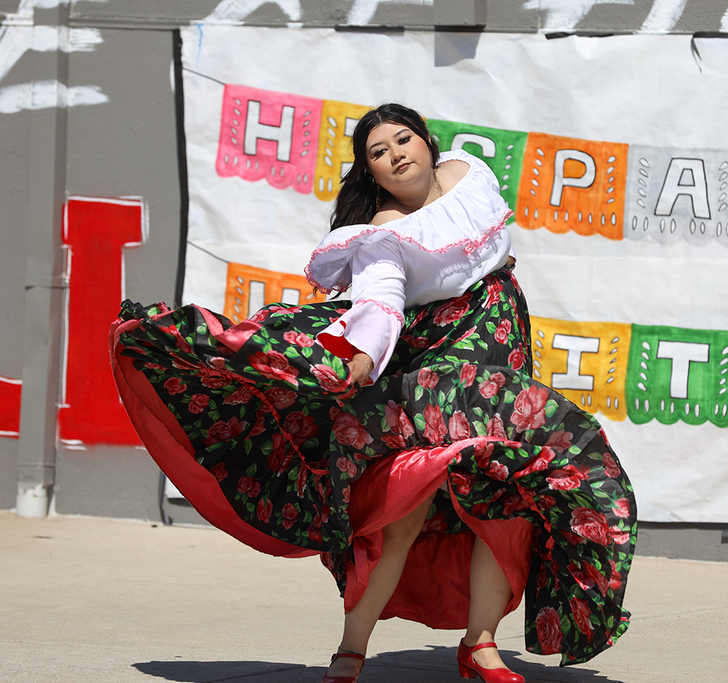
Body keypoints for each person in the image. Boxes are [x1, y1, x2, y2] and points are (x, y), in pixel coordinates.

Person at [110, 103, 635, 683]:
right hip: (441, 358)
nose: (396, 155)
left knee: (503, 494)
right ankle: (350, 648)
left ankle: (480, 646)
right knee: (407, 501)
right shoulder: (384, 232)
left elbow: (488, 246)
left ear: (428, 143)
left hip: (503, 343)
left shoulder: (469, 172)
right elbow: (381, 303)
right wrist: (362, 354)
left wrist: (495, 262)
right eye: (379, 154)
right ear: (373, 174)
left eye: (403, 140)